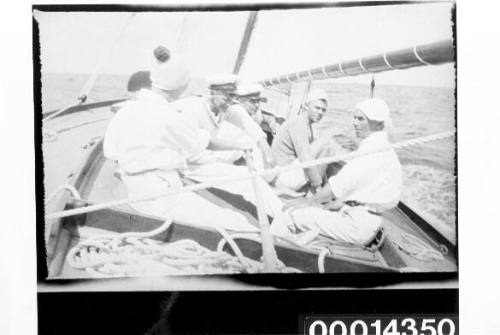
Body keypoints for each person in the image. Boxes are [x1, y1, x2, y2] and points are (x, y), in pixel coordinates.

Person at [103, 48, 259, 232]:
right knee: (237, 222)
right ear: (180, 85)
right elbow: (206, 143)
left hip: (135, 189)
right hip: (160, 195)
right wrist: (242, 145)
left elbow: (111, 152)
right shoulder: (171, 115)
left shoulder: (125, 110)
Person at [275, 98, 402, 245]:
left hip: (356, 226)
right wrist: (343, 204)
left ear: (379, 123)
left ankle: (272, 259)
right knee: (316, 210)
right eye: (354, 118)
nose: (355, 122)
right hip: (367, 219)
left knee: (289, 213)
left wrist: (307, 202)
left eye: (361, 119)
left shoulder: (371, 150)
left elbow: (335, 188)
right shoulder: (383, 147)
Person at [174, 75, 277, 168]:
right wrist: (241, 146)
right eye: (227, 97)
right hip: (187, 165)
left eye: (233, 97)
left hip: (203, 160)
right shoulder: (195, 110)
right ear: (213, 92)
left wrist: (267, 150)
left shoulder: (225, 110)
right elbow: (206, 143)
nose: (230, 101)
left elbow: (248, 125)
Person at [271, 88, 336, 194]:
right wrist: (318, 185)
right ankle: (314, 191)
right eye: (317, 108)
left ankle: (315, 187)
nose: (320, 112)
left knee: (326, 144)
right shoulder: (299, 123)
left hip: (284, 173)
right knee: (326, 142)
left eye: (323, 110)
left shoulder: (305, 125)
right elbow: (306, 159)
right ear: (306, 106)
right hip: (282, 178)